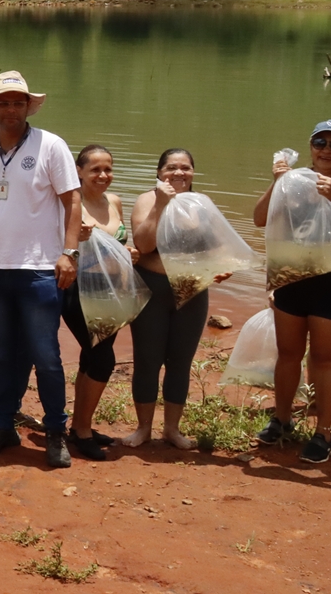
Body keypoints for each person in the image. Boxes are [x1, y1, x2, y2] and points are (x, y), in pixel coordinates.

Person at [0, 71, 81, 469]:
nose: (11, 109)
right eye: (3, 102)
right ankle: (3, 424)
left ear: (28, 106)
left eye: (18, 102)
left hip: (40, 268)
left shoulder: (51, 145)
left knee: (45, 355)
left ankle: (56, 431)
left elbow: (73, 201)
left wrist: (69, 253)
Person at [251, 119, 331, 464]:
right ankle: (283, 419)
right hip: (293, 280)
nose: (326, 150)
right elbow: (260, 219)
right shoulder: (295, 181)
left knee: (324, 358)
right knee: (288, 353)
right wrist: (276, 183)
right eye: (320, 142)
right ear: (311, 146)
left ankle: (323, 432)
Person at [128, 148, 230, 450]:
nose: (178, 173)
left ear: (193, 172)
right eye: (171, 167)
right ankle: (143, 428)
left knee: (180, 362)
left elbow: (219, 248)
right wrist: (161, 204)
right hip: (151, 288)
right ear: (159, 173)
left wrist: (219, 269)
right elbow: (143, 245)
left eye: (185, 168)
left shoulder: (202, 204)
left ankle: (171, 429)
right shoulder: (147, 201)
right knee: (147, 361)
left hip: (192, 290)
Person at [58, 145, 134, 461]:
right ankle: (83, 432)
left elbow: (121, 246)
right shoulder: (72, 206)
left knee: (91, 359)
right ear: (78, 171)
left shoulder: (113, 201)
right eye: (95, 170)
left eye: (108, 169)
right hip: (79, 293)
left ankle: (78, 426)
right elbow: (59, 247)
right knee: (103, 360)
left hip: (111, 292)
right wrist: (79, 240)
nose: (103, 176)